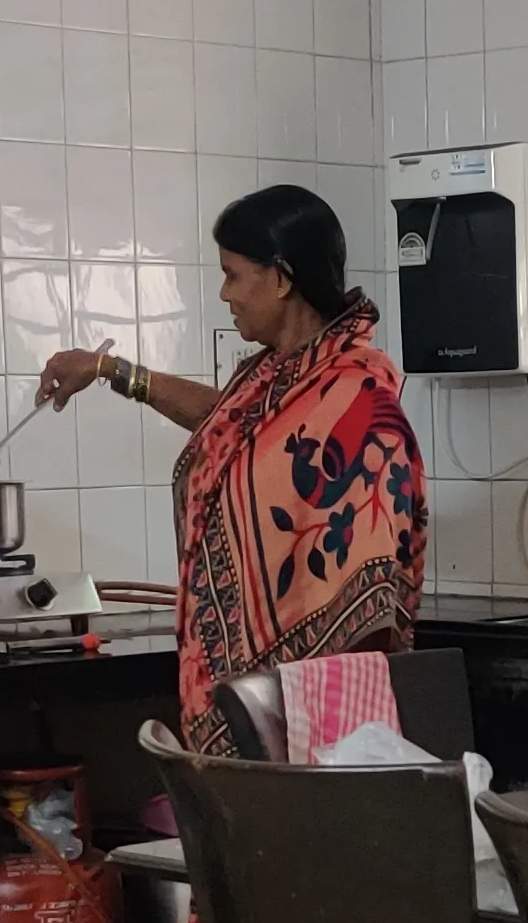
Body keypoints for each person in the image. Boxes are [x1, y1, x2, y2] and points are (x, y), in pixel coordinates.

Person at [36, 182, 425, 758]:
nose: (225, 294)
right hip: (239, 680)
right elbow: (230, 428)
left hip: (317, 698)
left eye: (233, 275)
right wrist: (108, 369)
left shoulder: (355, 391)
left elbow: (368, 563)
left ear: (282, 277)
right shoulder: (272, 380)